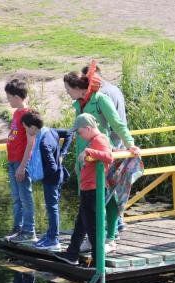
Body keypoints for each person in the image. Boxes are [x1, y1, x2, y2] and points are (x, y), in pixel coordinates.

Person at [62, 71, 142, 252]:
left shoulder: (100, 100)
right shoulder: (79, 104)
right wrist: (78, 160)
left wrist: (131, 144)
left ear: (76, 88)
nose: (67, 93)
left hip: (101, 157)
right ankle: (91, 240)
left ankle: (110, 239)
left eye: (68, 89)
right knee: (87, 202)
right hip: (85, 159)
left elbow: (118, 123)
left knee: (109, 196)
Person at [81, 65, 137, 235]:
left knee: (108, 191)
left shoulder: (101, 96)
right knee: (111, 189)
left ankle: (110, 231)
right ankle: (114, 226)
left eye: (86, 80)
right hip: (115, 145)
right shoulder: (115, 90)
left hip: (110, 148)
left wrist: (129, 143)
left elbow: (115, 123)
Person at [0, 78, 37, 243]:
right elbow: (13, 137)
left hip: (21, 163)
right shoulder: (16, 114)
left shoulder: (28, 115)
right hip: (13, 161)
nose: (7, 100)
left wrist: (23, 165)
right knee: (16, 197)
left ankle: (29, 230)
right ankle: (18, 228)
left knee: (25, 197)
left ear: (16, 96)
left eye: (8, 97)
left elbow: (31, 142)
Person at [61, 113, 113, 267]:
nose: (78, 134)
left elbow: (109, 157)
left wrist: (89, 152)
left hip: (93, 189)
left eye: (79, 131)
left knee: (93, 227)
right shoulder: (93, 140)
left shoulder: (99, 139)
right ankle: (72, 254)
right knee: (81, 223)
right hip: (88, 189)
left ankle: (98, 262)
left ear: (88, 128)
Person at [20, 111, 70, 251]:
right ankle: (50, 235)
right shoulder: (51, 131)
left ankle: (54, 239)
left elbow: (52, 166)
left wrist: (42, 175)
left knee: (52, 208)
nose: (26, 131)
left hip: (51, 180)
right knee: (52, 207)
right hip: (57, 177)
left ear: (33, 128)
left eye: (26, 128)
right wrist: (63, 154)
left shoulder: (43, 142)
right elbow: (69, 134)